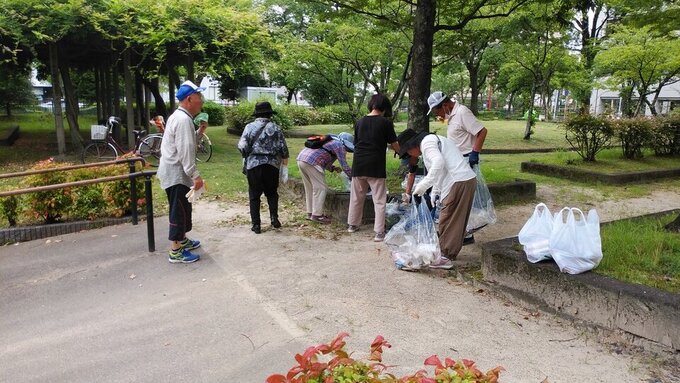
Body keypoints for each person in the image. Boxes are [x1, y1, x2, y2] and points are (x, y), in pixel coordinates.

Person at [397, 128, 477, 269]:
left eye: (407, 152)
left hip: (458, 181)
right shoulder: (431, 141)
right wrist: (435, 191)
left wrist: (424, 184)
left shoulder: (427, 143)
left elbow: (438, 163)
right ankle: (445, 253)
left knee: (450, 217)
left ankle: (445, 256)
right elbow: (441, 170)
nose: (409, 155)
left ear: (411, 146)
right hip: (461, 180)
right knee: (450, 218)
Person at [156, 80, 206, 264]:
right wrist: (196, 176)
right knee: (178, 211)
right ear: (189, 99)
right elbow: (185, 150)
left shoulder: (179, 117)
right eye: (199, 97)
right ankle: (175, 251)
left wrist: (200, 131)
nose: (201, 100)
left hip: (175, 172)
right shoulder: (183, 119)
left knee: (184, 208)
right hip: (177, 174)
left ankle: (182, 240)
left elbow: (187, 141)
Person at [347, 94, 400, 242]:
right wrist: (401, 151)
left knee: (356, 197)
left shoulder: (359, 122)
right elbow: (394, 143)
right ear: (384, 108)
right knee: (379, 199)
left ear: (371, 105)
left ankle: (352, 224)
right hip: (376, 165)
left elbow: (356, 142)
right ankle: (379, 232)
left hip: (358, 164)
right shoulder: (385, 123)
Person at [238, 101, 289, 234]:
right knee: (272, 193)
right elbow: (284, 149)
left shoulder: (249, 127)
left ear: (257, 114)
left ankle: (256, 225)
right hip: (272, 166)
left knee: (254, 195)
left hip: (254, 165)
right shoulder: (276, 128)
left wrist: (248, 154)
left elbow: (242, 146)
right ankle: (274, 219)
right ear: (269, 114)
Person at [296, 133, 353, 224]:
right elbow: (344, 165)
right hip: (312, 162)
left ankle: (310, 213)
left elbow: (325, 160)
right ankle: (317, 216)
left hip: (301, 159)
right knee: (321, 188)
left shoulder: (328, 142)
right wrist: (352, 176)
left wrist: (333, 168)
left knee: (309, 188)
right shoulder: (339, 145)